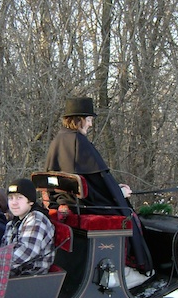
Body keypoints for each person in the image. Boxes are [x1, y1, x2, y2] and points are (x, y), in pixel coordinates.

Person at [44, 96, 152, 276]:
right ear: (79, 119)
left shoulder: (58, 141)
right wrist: (120, 192)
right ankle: (136, 266)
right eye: (89, 120)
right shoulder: (79, 142)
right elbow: (99, 183)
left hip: (69, 205)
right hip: (84, 208)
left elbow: (90, 182)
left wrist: (114, 188)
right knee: (130, 216)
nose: (91, 125)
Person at [0, 178, 55, 276]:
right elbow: (4, 248)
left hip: (31, 277)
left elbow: (26, 251)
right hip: (14, 273)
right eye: (10, 198)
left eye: (19, 198)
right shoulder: (13, 223)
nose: (14, 202)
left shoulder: (36, 219)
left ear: (30, 201)